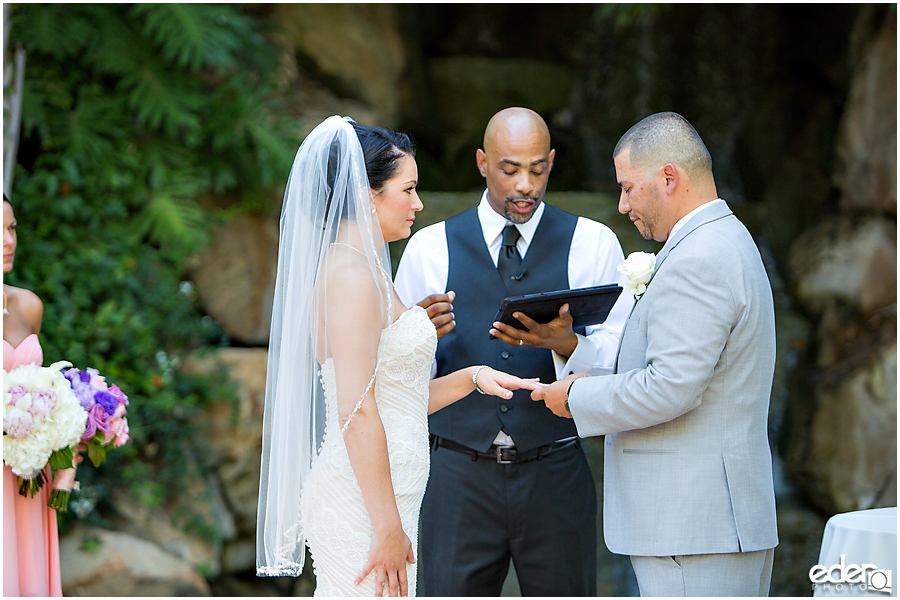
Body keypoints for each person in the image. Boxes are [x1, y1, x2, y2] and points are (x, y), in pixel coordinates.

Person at [255, 116, 540, 597]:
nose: (418, 204)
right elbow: (357, 409)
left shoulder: (366, 268)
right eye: (407, 190)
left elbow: (395, 397)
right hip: (362, 503)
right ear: (368, 194)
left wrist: (471, 376)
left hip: (387, 496)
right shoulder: (350, 276)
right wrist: (386, 525)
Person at [532, 112, 779, 596]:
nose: (622, 205)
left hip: (695, 529)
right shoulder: (722, 240)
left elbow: (670, 386)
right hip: (706, 526)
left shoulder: (700, 257)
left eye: (628, 188)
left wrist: (576, 398)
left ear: (669, 177)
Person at [394, 107, 632, 596]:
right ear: (482, 163)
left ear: (550, 162)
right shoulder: (428, 248)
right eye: (509, 169)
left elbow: (621, 364)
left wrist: (565, 343)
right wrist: (417, 336)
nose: (525, 184)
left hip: (557, 472)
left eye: (537, 169)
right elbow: (395, 380)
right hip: (454, 476)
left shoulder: (593, 243)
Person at [3, 194, 64, 597]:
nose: (8, 240)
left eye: (11, 228)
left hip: (28, 475)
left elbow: (48, 392)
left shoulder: (28, 306)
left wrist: (67, 454)